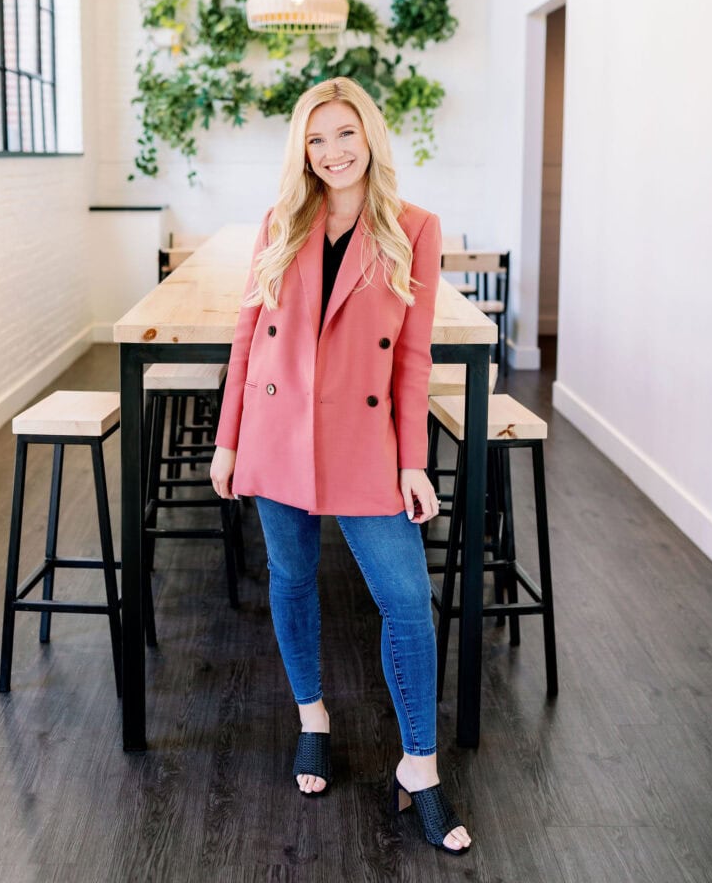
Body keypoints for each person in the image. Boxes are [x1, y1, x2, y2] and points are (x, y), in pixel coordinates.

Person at [210, 77, 472, 856]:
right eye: (315, 139)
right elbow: (246, 335)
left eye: (344, 135)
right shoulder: (280, 221)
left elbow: (414, 357)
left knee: (405, 602)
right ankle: (312, 720)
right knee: (289, 579)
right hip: (275, 431)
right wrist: (227, 440)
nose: (331, 153)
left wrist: (413, 461)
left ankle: (419, 765)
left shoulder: (414, 228)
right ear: (303, 150)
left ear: (371, 138)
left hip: (365, 444)